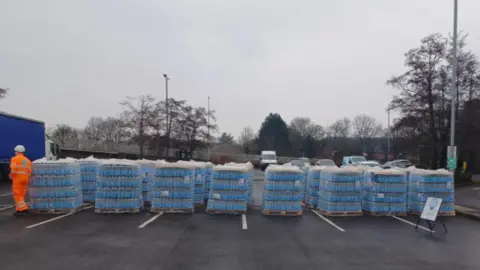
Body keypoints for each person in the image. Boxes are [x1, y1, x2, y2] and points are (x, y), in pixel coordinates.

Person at [9, 145, 32, 216]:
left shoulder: (15, 159)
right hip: (25, 179)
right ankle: (19, 210)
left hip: (18, 179)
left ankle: (23, 209)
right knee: (21, 195)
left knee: (17, 194)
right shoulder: (27, 160)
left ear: (17, 151)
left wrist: (11, 175)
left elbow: (14, 169)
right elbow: (29, 171)